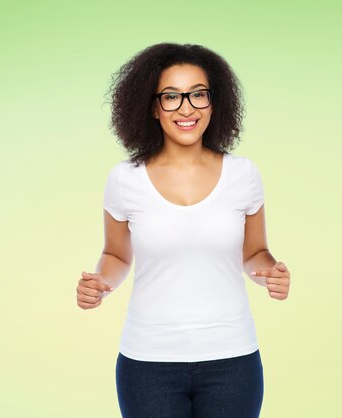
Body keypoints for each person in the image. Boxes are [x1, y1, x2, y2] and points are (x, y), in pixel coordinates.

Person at [76, 43, 291, 418]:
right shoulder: (125, 180)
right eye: (172, 97)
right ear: (153, 107)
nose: (187, 108)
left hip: (232, 360)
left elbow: (255, 253)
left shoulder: (244, 175)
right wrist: (100, 282)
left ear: (214, 102)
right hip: (148, 362)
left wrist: (270, 273)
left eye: (198, 94)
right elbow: (116, 255)